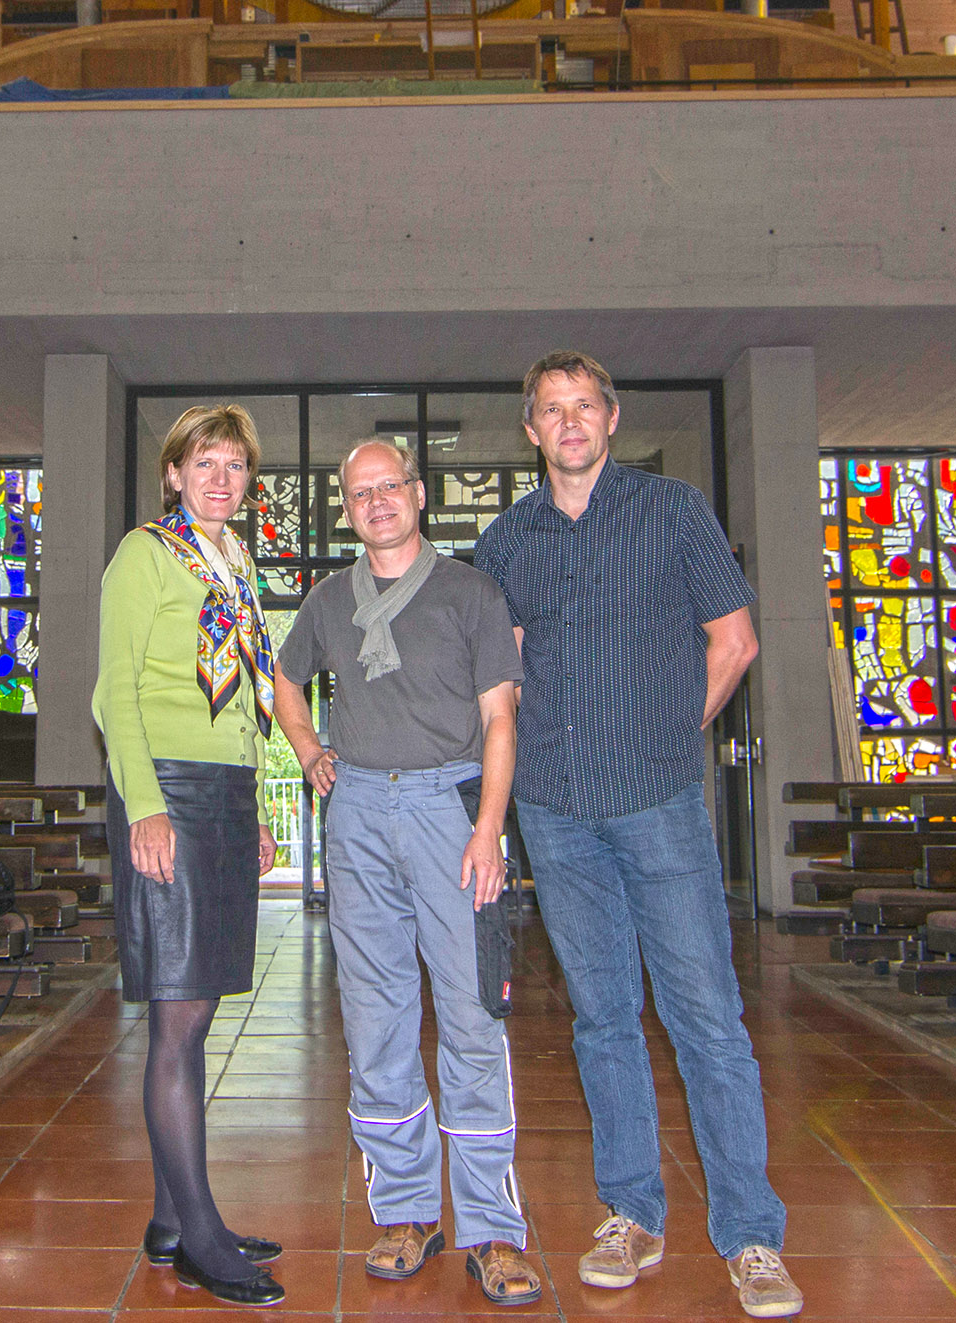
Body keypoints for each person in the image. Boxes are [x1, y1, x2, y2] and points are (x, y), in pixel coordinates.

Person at [472, 350, 804, 1321]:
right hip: (555, 811)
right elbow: (506, 666)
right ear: (530, 429)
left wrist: (667, 730)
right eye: (550, 409)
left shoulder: (673, 511)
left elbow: (733, 639)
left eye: (584, 405)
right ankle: (630, 1211)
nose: (568, 422)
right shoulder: (504, 541)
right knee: (603, 1017)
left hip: (657, 801)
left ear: (610, 418)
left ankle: (749, 1233)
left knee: (704, 1015)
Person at [274, 439, 541, 1307]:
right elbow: (282, 679)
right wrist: (312, 749)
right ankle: (405, 1209)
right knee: (376, 1013)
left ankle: (493, 1227)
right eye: (361, 492)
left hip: (447, 812)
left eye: (390, 486)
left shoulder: (471, 591)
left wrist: (490, 828)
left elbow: (501, 720)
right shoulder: (325, 599)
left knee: (470, 1013)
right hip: (357, 813)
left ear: (418, 495)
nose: (377, 501)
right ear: (347, 509)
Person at [94, 404, 287, 1307]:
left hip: (222, 793)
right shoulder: (144, 554)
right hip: (165, 790)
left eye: (235, 465)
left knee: (198, 1008)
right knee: (176, 1015)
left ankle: (172, 1217)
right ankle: (202, 1234)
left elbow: (245, 690)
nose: (221, 478)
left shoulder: (234, 562)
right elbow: (114, 693)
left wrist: (251, 803)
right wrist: (146, 808)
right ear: (173, 473)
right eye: (203, 462)